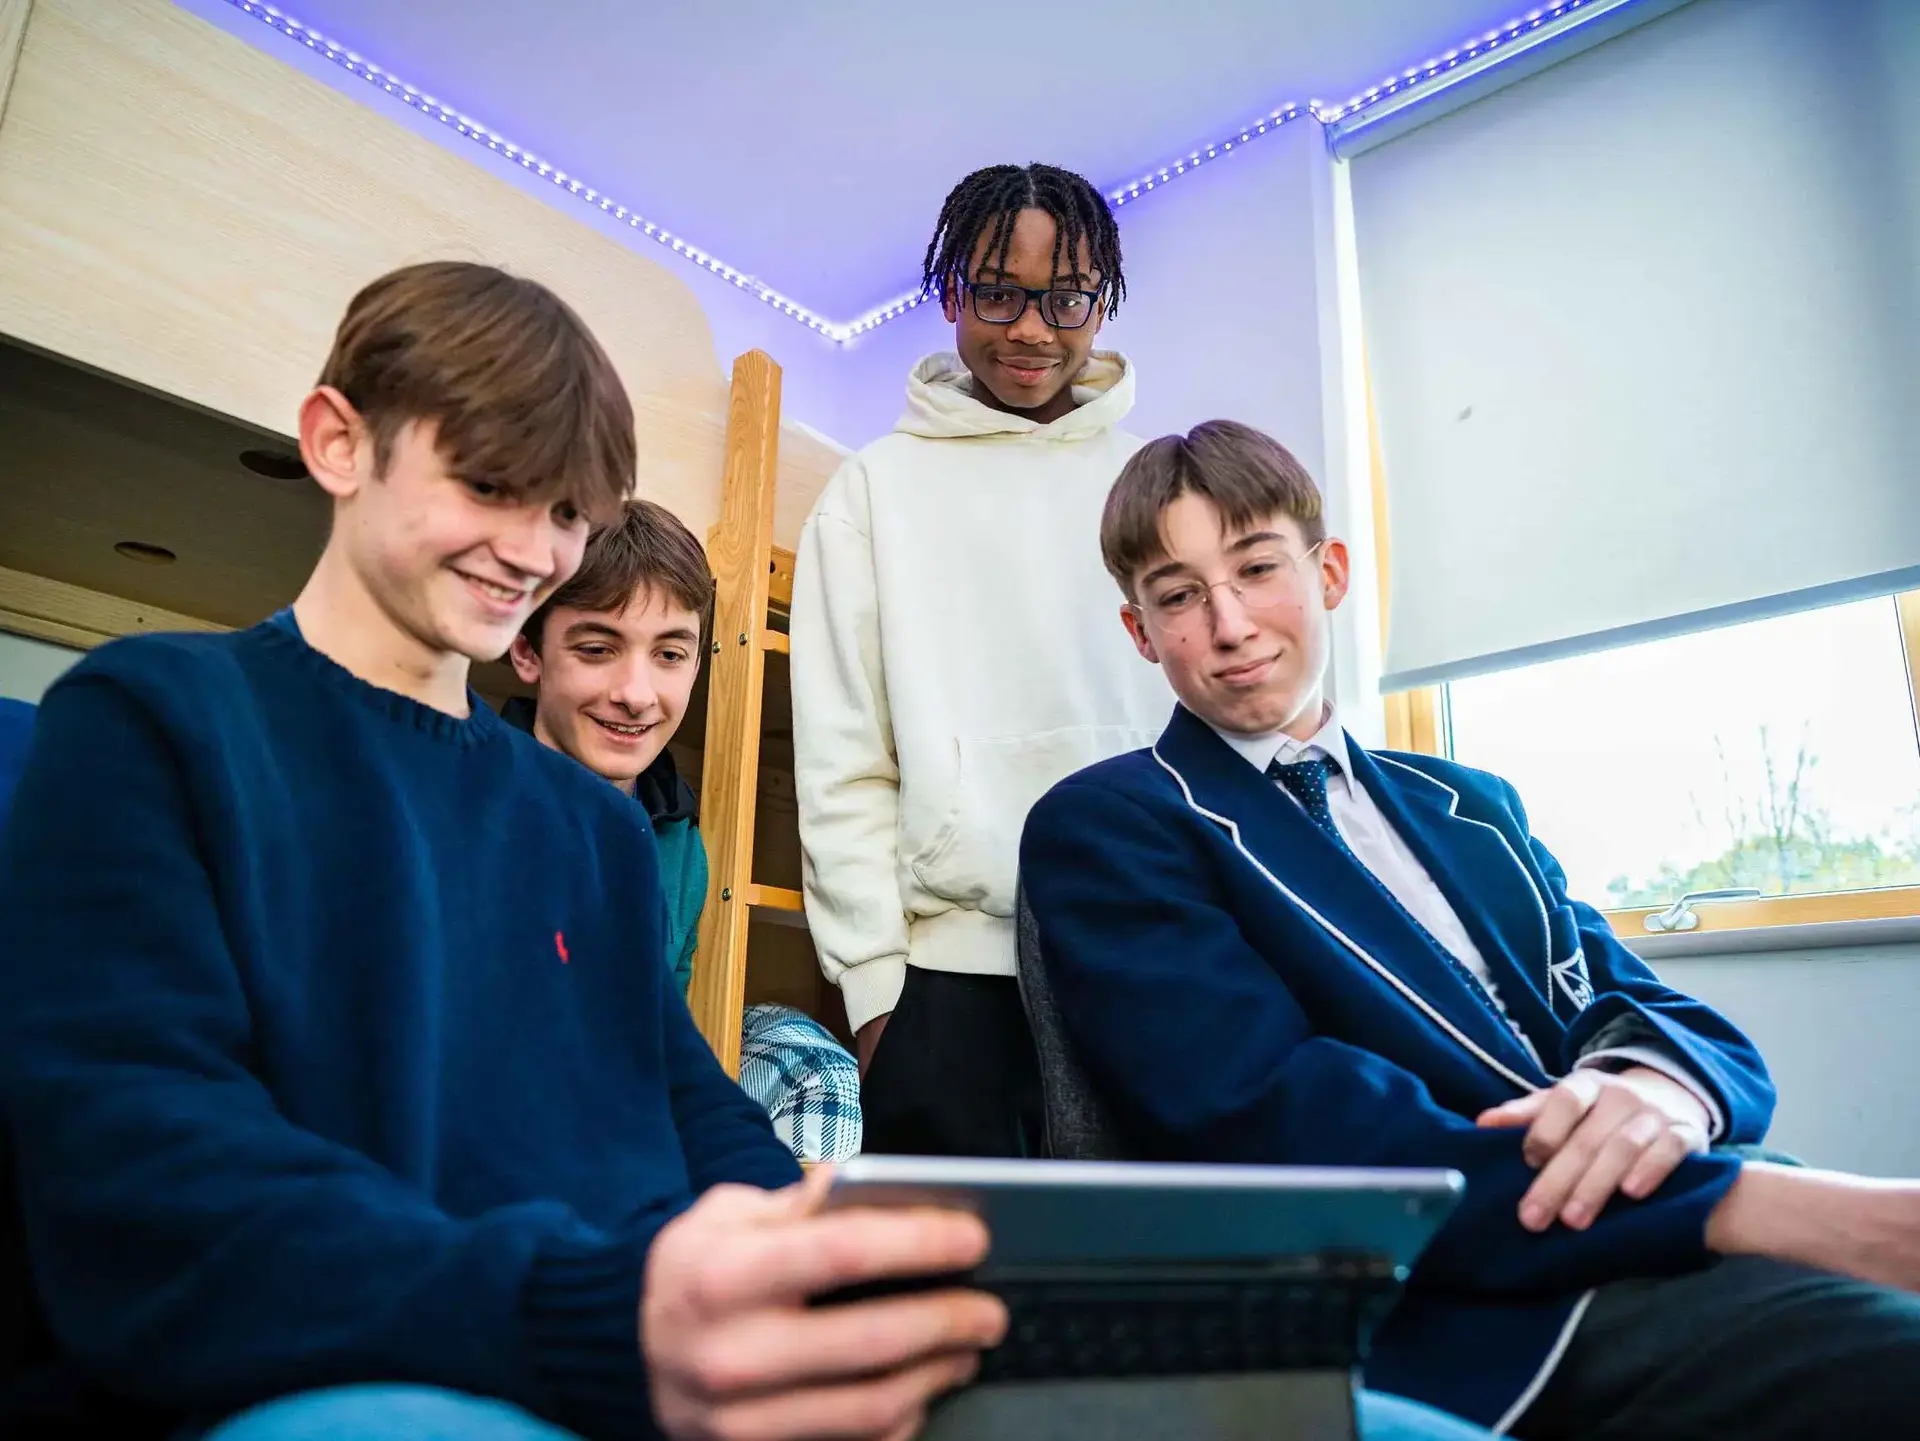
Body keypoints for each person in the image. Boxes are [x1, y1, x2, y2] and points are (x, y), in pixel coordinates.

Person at [0, 262, 1001, 1441]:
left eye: (569, 513)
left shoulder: (593, 826)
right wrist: (599, 1317)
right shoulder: (153, 720)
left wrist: (823, 1267)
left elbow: (689, 1107)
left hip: (603, 1365)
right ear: (336, 441)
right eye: (491, 485)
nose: (532, 549)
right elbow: (148, 1181)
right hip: (322, 1387)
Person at [1019, 419, 1920, 1438]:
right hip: (1471, 1300)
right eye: (1180, 595)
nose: (1230, 623)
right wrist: (1753, 1204)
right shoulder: (1113, 824)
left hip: (1673, 1211)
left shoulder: (1473, 802)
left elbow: (1643, 1004)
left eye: (1257, 567)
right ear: (1141, 632)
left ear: (1329, 574)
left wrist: (1664, 1088)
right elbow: (1284, 1124)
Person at [791, 163, 1172, 1158]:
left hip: (1147, 961)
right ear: (951, 290)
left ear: (1105, 302)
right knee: (948, 1306)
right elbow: (842, 760)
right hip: (946, 986)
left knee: (1132, 1296)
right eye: (998, 291)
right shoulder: (875, 488)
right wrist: (876, 999)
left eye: (1067, 298)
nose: (1033, 330)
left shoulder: (1156, 488)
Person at [504, 499, 861, 1162]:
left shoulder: (675, 840)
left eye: (670, 654)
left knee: (805, 1056)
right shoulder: (472, 804)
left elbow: (667, 1041)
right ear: (527, 650)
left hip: (625, 1126)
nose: (637, 692)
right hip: (509, 1138)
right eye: (596, 648)